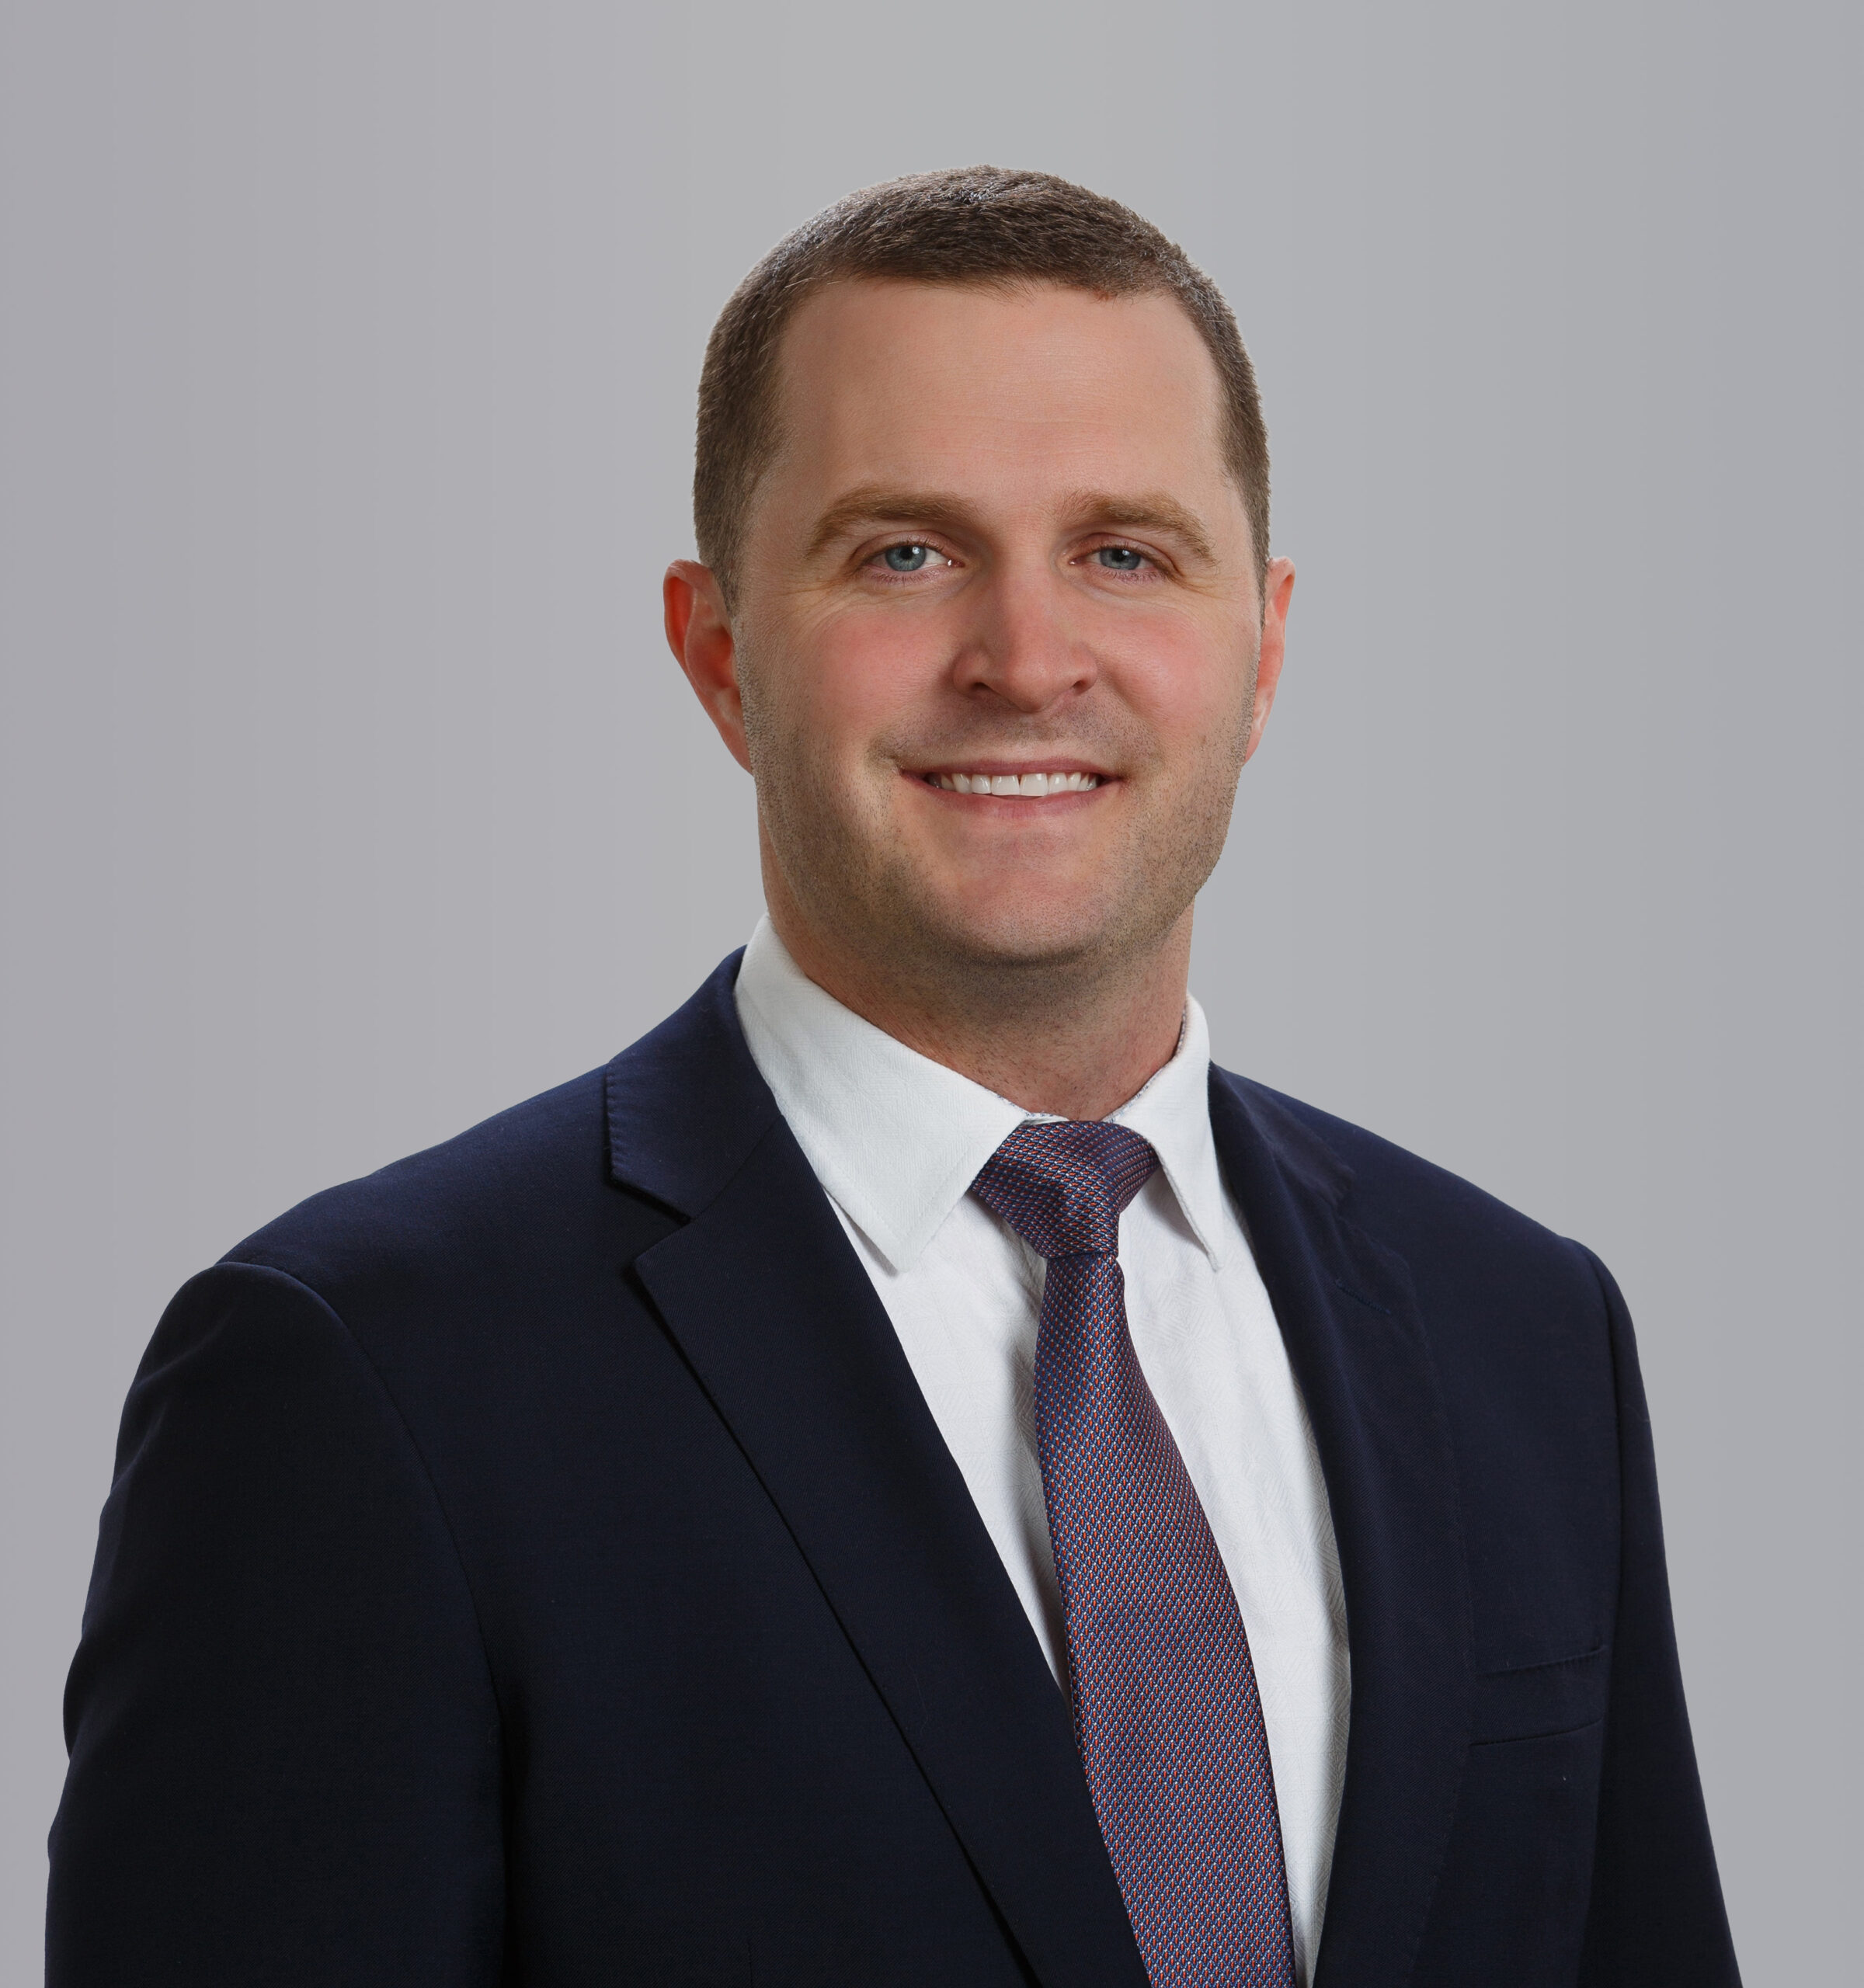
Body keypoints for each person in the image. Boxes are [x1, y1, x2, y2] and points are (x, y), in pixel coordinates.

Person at [47, 168, 1739, 1988]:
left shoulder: (1521, 1333)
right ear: (720, 655)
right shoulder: (369, 1373)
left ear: (1263, 648)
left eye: (1126, 552)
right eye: (905, 554)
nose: (1026, 660)